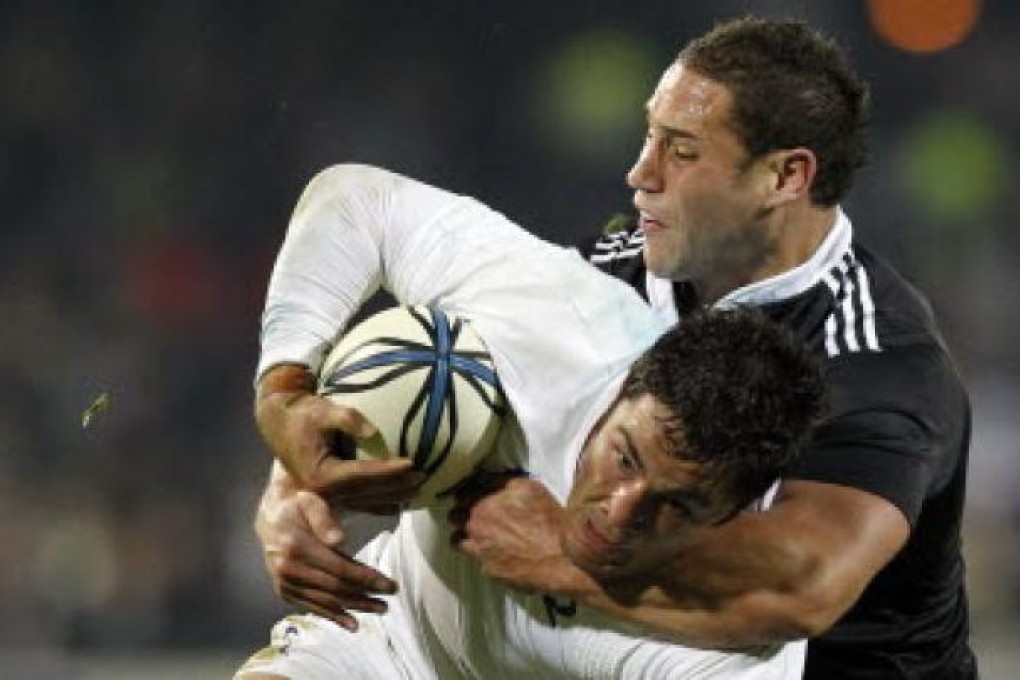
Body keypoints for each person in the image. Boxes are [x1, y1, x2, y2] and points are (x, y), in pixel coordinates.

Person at [251, 15, 976, 680]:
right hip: (439, 640)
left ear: (786, 176)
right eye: (650, 135)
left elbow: (804, 583)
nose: (641, 172)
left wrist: (566, 559)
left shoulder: (877, 365)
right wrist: (297, 455)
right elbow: (361, 211)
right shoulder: (602, 278)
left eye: (682, 151)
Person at [236, 163, 825, 679]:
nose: (619, 512)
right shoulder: (559, 320)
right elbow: (363, 204)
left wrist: (565, 567)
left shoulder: (735, 656)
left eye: (677, 505)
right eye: (625, 457)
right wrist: (285, 399)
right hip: (388, 648)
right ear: (625, 386)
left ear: (734, 513)